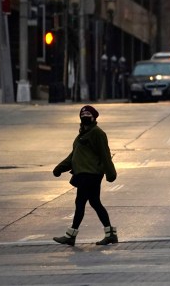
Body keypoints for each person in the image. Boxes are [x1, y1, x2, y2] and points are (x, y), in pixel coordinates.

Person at [52, 105, 118, 246]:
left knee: (80, 203)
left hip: (91, 174)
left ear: (94, 117)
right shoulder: (82, 134)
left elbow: (105, 155)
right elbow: (73, 156)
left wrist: (110, 173)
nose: (85, 117)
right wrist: (60, 168)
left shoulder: (97, 133)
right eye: (83, 115)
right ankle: (111, 234)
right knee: (94, 203)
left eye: (88, 114)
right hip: (83, 174)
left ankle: (71, 236)